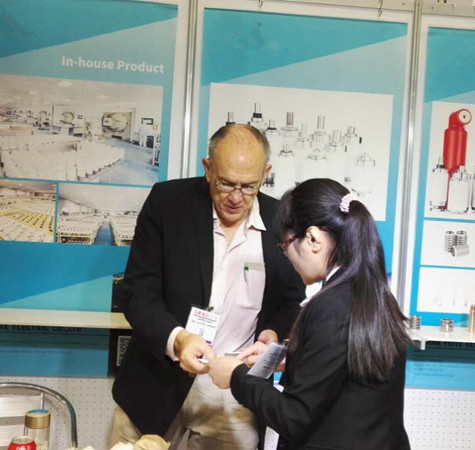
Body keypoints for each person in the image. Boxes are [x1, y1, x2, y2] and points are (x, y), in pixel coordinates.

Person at [111, 124, 305, 449]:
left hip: (234, 393)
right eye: (225, 183)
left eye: (249, 186)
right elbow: (137, 292)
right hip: (156, 382)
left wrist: (273, 333)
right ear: (208, 168)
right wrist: (179, 340)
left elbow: (291, 300)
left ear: (266, 174)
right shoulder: (168, 204)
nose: (235, 197)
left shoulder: (282, 221)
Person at [208, 179, 411, 450]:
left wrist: (236, 376)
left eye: (286, 245)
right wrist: (289, 359)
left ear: (313, 239)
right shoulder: (376, 296)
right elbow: (349, 371)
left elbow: (293, 417)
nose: (288, 257)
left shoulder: (331, 305)